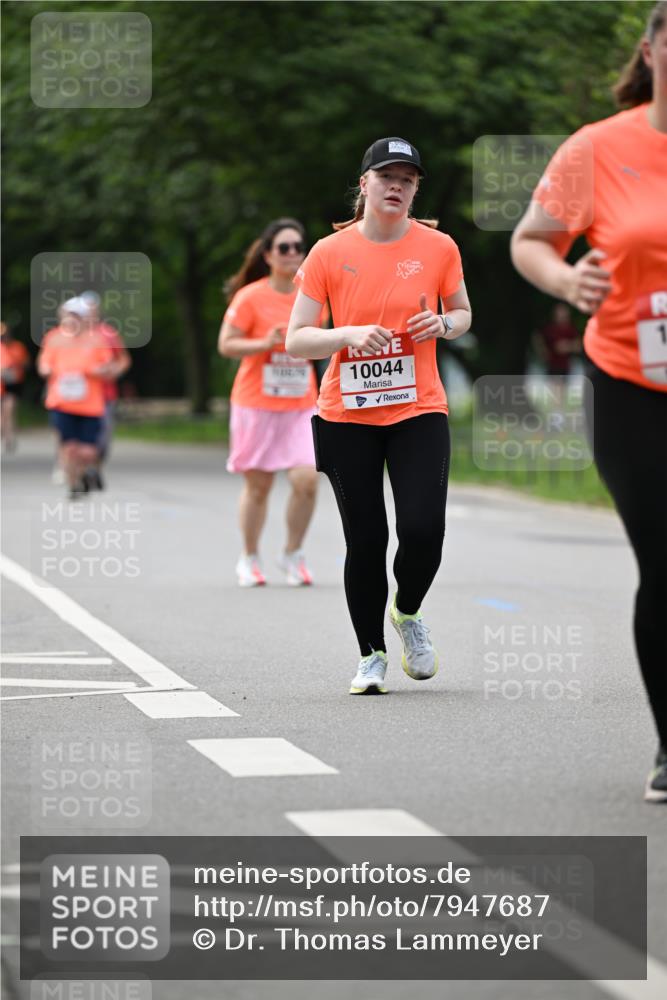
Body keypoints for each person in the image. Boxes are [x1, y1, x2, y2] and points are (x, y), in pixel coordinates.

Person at [510, 0, 667, 802]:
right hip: (632, 385)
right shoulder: (598, 149)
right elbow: (530, 241)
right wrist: (566, 279)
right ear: (650, 50)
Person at [286, 137, 471, 694]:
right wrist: (346, 335)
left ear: (416, 190)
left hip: (418, 408)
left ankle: (407, 610)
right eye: (386, 176)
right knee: (365, 539)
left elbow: (462, 313)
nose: (396, 186)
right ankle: (370, 656)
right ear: (363, 184)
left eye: (408, 179)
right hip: (347, 415)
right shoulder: (325, 253)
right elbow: (297, 339)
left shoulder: (439, 248)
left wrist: (442, 325)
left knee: (423, 530)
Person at [218, 218, 321, 587]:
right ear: (268, 255)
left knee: (308, 480)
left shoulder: (312, 295)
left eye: (298, 246)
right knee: (258, 486)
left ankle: (293, 553)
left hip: (300, 406)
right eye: (284, 248)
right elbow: (226, 344)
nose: (293, 253)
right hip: (256, 404)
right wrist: (264, 343)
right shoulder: (252, 296)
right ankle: (249, 557)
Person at [37, 297, 115, 500]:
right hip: (61, 402)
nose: (71, 320)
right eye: (68, 316)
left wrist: (99, 370)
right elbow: (44, 364)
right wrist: (47, 370)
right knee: (69, 447)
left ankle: (84, 474)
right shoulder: (53, 338)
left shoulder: (96, 339)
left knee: (88, 451)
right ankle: (74, 485)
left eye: (76, 316)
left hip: (90, 404)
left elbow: (108, 366)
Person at [80, 291, 132, 490]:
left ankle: (96, 468)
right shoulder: (73, 334)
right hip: (80, 398)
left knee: (103, 437)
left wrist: (114, 371)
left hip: (105, 395)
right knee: (83, 437)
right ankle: (84, 472)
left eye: (93, 309)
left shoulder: (108, 333)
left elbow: (124, 359)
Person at [0, 321, 31, 452]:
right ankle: (4, 434)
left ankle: (9, 438)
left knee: (9, 409)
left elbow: (27, 364)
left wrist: (16, 367)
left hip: (13, 383)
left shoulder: (18, 347)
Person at [533, 302, 581, 378]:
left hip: (567, 367)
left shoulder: (571, 329)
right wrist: (542, 351)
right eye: (560, 313)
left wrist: (567, 346)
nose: (562, 316)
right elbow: (537, 338)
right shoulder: (549, 329)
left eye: (564, 313)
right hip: (551, 366)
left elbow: (578, 346)